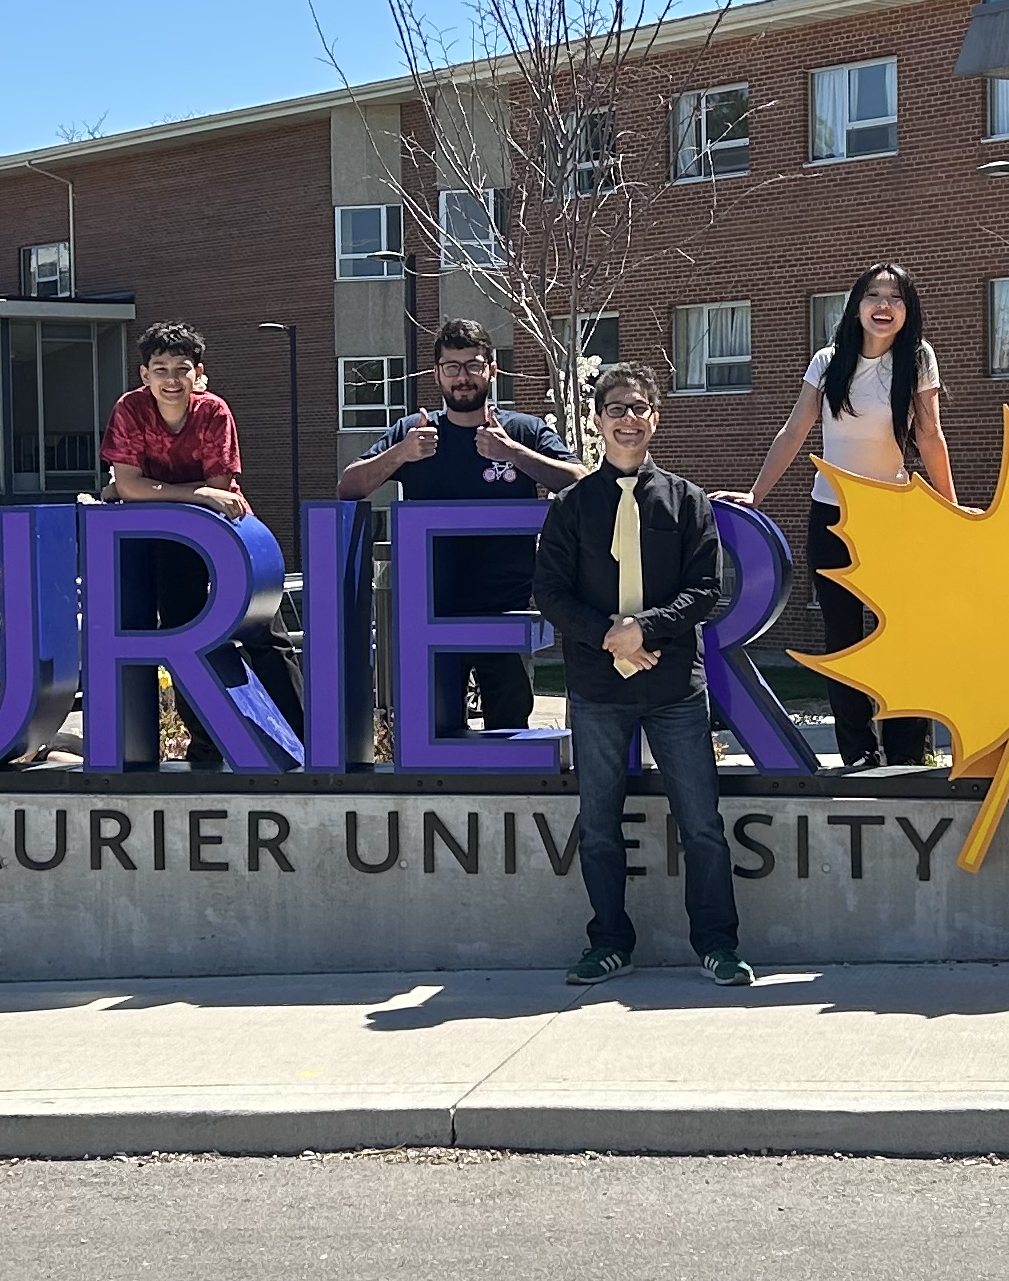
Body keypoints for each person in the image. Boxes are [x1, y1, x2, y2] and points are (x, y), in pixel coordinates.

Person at [532, 362, 748, 989]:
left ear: (657, 418)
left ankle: (717, 944)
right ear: (598, 421)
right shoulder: (572, 506)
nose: (629, 418)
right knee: (598, 825)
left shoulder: (687, 501)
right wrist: (609, 634)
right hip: (598, 689)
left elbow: (704, 590)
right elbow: (550, 591)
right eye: (617, 407)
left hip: (674, 687)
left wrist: (643, 630)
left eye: (640, 407)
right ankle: (609, 943)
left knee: (702, 823)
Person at [737, 263, 960, 770]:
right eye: (874, 296)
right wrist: (756, 495)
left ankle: (906, 751)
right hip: (832, 515)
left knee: (899, 631)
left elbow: (929, 436)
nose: (885, 306)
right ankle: (857, 751)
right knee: (843, 635)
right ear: (857, 305)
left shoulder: (918, 359)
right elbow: (794, 431)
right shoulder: (827, 361)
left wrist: (948, 506)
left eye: (896, 298)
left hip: (896, 515)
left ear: (908, 311)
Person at [336, 317, 576, 739]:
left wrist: (514, 453)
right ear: (437, 374)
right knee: (434, 732)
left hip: (505, 607)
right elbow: (348, 486)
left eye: (472, 365)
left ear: (492, 370)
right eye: (452, 367)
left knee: (509, 729)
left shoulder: (522, 430)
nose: (462, 377)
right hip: (429, 608)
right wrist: (402, 453)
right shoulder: (414, 431)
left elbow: (580, 481)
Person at [104, 320, 280, 765]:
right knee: (183, 636)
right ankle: (206, 741)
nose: (171, 380)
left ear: (198, 373)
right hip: (167, 538)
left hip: (222, 536)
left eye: (181, 369)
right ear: (144, 374)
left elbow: (220, 488)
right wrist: (196, 491)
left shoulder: (214, 411)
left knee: (262, 635)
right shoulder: (129, 409)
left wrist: (154, 488)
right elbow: (129, 486)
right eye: (160, 369)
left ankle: (305, 732)